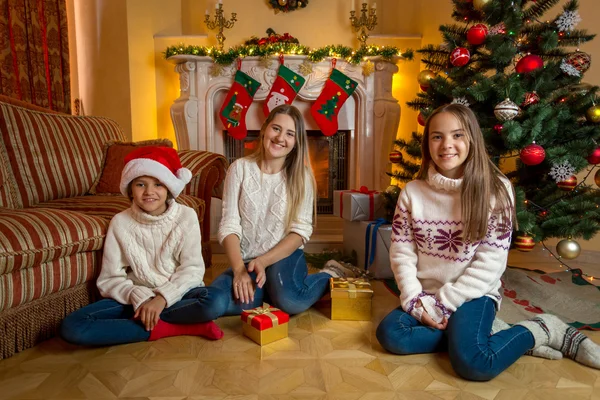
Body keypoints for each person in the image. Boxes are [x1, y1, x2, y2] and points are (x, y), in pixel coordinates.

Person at [376, 103, 600, 381]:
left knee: (475, 364)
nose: (447, 144)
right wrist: (415, 301)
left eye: (458, 135)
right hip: (426, 295)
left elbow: (490, 264)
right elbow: (402, 253)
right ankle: (492, 336)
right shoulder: (412, 192)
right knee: (391, 335)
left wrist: (443, 305)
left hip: (474, 294)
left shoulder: (496, 190)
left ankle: (543, 329)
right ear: (427, 143)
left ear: (472, 139)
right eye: (437, 136)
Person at [61, 146, 225, 346]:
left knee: (216, 301)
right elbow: (110, 279)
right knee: (73, 326)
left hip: (176, 296)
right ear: (130, 189)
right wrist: (142, 299)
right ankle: (173, 327)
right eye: (141, 184)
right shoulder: (120, 222)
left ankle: (144, 323)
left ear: (169, 188)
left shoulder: (186, 216)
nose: (149, 192)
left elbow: (192, 269)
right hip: (136, 298)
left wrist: (161, 299)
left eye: (158, 184)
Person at [210, 104, 354, 316]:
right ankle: (267, 291)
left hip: (284, 255)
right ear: (265, 130)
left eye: (289, 134)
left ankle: (329, 273)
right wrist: (239, 269)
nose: (280, 138)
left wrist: (264, 261)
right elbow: (229, 224)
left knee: (290, 301)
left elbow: (300, 232)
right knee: (222, 301)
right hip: (247, 260)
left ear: (295, 143)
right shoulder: (239, 168)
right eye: (276, 128)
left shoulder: (301, 177)